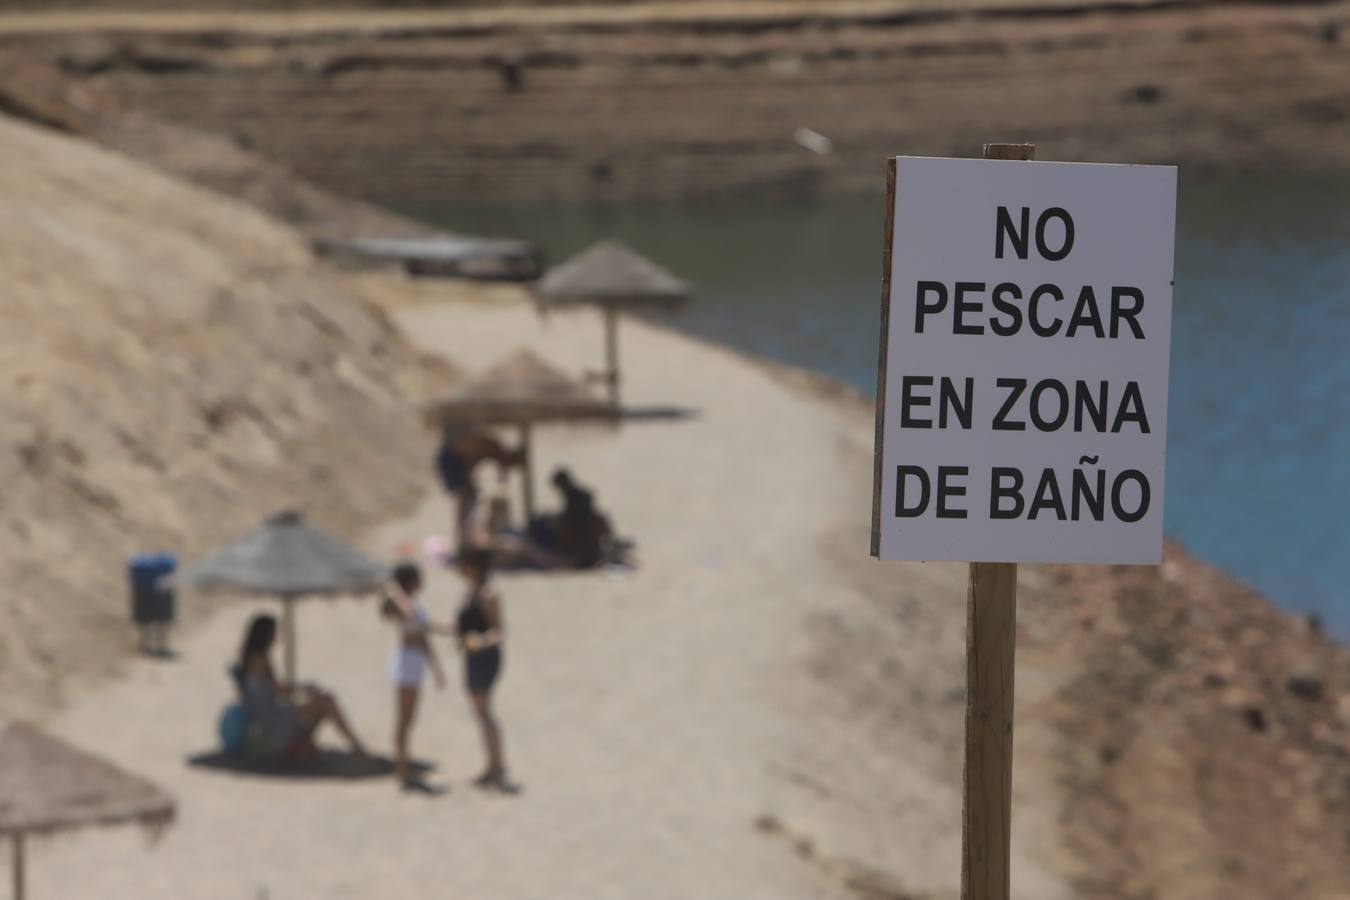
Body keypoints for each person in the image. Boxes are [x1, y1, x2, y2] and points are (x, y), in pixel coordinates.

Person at [237, 614, 366, 761]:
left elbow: (276, 690)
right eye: (274, 632)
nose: (276, 636)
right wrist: (303, 688)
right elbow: (279, 690)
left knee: (323, 703)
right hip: (273, 720)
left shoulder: (252, 658)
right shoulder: (259, 659)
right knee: (326, 701)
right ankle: (357, 747)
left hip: (272, 714)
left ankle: (303, 745)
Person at [382, 561, 446, 790]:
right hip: (406, 663)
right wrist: (393, 589)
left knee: (409, 719)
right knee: (404, 720)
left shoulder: (414, 604)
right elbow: (408, 614)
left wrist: (437, 669)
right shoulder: (402, 604)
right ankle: (401, 768)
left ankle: (403, 766)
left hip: (415, 663)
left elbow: (426, 634)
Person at [454, 547, 512, 790]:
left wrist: (479, 642)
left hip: (485, 657)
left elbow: (499, 632)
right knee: (480, 712)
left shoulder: (488, 594)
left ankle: (497, 766)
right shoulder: (470, 592)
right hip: (471, 656)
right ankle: (492, 765)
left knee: (485, 712)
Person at [435, 423, 525, 555]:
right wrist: (467, 483)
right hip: (452, 461)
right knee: (466, 502)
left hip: (455, 462)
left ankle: (465, 541)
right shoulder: (493, 449)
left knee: (467, 502)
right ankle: (465, 543)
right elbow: (470, 463)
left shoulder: (495, 450)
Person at [551, 467, 612, 569]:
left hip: (581, 549)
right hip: (590, 548)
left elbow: (570, 519)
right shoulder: (580, 497)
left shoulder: (573, 499)